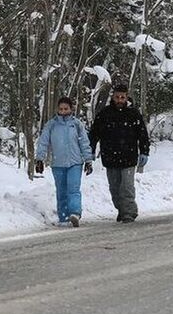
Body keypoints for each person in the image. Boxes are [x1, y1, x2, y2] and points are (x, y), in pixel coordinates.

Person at [90, 84, 151, 223]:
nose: (119, 99)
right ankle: (121, 209)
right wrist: (91, 149)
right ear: (113, 96)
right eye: (117, 97)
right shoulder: (105, 114)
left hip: (129, 157)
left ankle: (129, 212)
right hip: (110, 157)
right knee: (114, 188)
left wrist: (144, 151)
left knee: (127, 187)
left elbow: (142, 134)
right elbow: (94, 133)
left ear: (126, 97)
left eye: (122, 97)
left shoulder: (133, 114)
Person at [34, 96, 93, 227]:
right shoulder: (51, 125)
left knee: (73, 189)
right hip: (58, 163)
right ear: (57, 109)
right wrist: (39, 159)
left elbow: (84, 142)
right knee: (61, 191)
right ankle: (63, 217)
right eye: (61, 109)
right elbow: (43, 142)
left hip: (75, 162)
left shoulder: (76, 124)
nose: (63, 111)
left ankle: (75, 213)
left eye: (66, 109)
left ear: (71, 109)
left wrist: (88, 160)